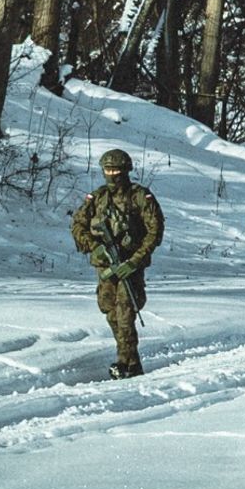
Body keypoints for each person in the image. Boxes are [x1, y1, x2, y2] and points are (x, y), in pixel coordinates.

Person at [71, 148, 164, 379]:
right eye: (108, 170)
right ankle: (131, 360)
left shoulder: (140, 196)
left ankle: (126, 363)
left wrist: (134, 261)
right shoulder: (98, 197)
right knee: (110, 312)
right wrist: (95, 247)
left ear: (126, 171)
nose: (112, 175)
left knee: (125, 312)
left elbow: (155, 231)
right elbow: (77, 226)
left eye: (116, 170)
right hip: (105, 267)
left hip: (129, 266)